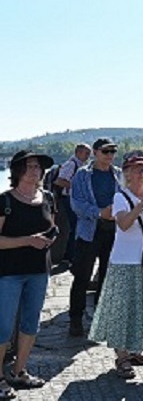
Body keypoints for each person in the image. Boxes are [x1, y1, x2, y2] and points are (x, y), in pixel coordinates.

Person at [89, 155, 143, 380]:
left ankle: (136, 349)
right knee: (122, 309)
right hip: (125, 260)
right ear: (127, 174)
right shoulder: (120, 197)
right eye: (138, 170)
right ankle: (122, 357)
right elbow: (125, 224)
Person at [0, 151, 57, 397]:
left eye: (39, 167)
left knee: (30, 324)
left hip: (38, 271)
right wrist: (27, 241)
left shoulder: (48, 197)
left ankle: (19, 371)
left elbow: (53, 228)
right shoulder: (5, 201)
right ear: (18, 170)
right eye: (30, 166)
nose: (36, 171)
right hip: (9, 272)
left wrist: (48, 240)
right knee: (2, 328)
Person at [68, 138, 122, 337]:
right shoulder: (82, 175)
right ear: (96, 153)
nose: (110, 156)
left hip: (113, 231)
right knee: (82, 276)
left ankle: (101, 319)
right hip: (90, 231)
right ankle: (76, 319)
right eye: (106, 151)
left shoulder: (118, 175)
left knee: (107, 278)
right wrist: (99, 212)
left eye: (113, 152)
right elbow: (77, 204)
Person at [51, 143, 91, 265]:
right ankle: (69, 256)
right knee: (73, 228)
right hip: (67, 200)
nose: (88, 156)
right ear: (78, 152)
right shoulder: (71, 165)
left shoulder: (78, 165)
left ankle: (70, 255)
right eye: (86, 153)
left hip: (71, 199)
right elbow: (59, 181)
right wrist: (77, 186)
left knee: (74, 227)